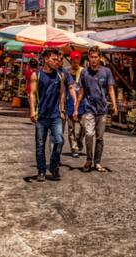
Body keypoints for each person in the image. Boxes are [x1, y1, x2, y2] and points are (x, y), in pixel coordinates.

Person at [28, 48, 71, 182]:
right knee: (40, 145)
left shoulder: (60, 75)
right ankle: (41, 171)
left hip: (55, 116)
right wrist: (32, 111)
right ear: (46, 59)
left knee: (59, 141)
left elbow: (62, 93)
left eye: (57, 59)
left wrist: (62, 110)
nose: (56, 62)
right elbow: (32, 94)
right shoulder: (37, 75)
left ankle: (53, 165)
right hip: (41, 116)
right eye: (54, 59)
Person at [75, 46, 118, 173]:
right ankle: (88, 160)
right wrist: (76, 108)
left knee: (99, 137)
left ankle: (97, 162)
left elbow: (110, 89)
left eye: (96, 57)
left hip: (102, 109)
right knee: (89, 134)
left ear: (100, 57)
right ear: (88, 58)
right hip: (89, 108)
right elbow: (81, 92)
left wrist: (114, 105)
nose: (93, 59)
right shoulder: (84, 73)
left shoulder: (106, 71)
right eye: (91, 57)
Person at [63, 51, 85, 158]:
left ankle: (79, 140)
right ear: (71, 61)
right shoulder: (66, 72)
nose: (76, 63)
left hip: (82, 103)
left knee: (84, 125)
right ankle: (74, 147)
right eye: (74, 62)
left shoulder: (83, 71)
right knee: (71, 127)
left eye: (78, 61)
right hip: (70, 103)